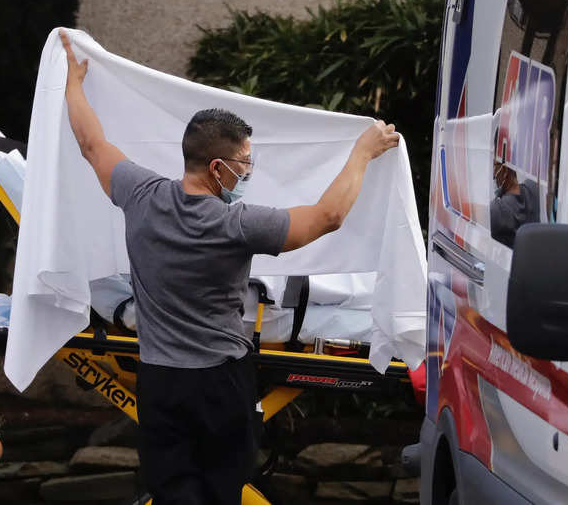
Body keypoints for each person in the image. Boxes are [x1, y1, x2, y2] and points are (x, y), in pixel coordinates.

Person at [59, 30, 399, 505]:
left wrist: (72, 82)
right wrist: (362, 152)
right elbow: (328, 216)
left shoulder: (140, 195)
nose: (248, 171)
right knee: (223, 493)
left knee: (173, 494)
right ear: (218, 167)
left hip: (158, 381)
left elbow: (91, 143)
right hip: (219, 385)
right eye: (244, 163)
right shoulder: (236, 224)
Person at [490, 161, 540, 248]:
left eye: (493, 167)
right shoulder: (533, 188)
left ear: (505, 170)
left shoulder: (497, 209)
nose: (492, 175)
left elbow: (475, 215)